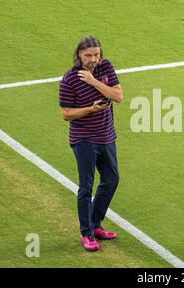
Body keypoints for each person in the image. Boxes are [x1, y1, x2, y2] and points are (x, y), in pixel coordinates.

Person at [59, 35, 123, 251]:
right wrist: (90, 109)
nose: (94, 59)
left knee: (111, 180)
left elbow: (118, 96)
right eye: (89, 55)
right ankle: (86, 233)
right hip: (84, 139)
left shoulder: (106, 67)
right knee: (86, 187)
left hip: (106, 136)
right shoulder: (69, 79)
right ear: (79, 54)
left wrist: (94, 81)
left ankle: (95, 224)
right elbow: (66, 114)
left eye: (96, 54)